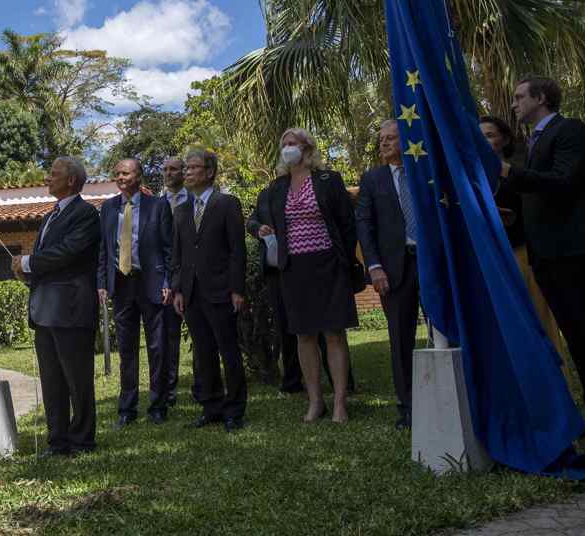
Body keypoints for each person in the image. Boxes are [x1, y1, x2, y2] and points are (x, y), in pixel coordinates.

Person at [503, 76, 585, 451]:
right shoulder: (533, 143)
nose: (514, 105)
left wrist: (511, 173)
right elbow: (538, 194)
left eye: (519, 97)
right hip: (547, 255)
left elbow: (563, 181)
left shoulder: (569, 130)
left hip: (576, 251)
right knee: (577, 337)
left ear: (541, 98)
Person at [252, 128, 358, 423]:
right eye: (284, 143)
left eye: (293, 143)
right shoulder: (276, 188)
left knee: (334, 333)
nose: (288, 148)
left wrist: (345, 262)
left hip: (328, 265)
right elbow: (258, 218)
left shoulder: (328, 180)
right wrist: (260, 229)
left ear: (307, 148)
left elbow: (347, 226)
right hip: (293, 269)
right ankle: (315, 401)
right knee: (304, 335)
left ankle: (339, 403)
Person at [14, 156, 101, 456]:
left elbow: (67, 253)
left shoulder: (86, 214)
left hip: (72, 311)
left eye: (53, 174)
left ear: (71, 180)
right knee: (52, 381)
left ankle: (82, 440)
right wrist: (28, 272)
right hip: (45, 311)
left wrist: (27, 261)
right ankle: (58, 440)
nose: (47, 178)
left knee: (77, 380)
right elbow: (50, 258)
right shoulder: (51, 215)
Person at [169, 149, 248, 432]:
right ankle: (211, 407)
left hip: (221, 290)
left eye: (193, 167)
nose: (187, 172)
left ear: (210, 172)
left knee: (228, 351)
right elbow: (177, 256)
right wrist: (178, 290)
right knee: (203, 354)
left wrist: (237, 289)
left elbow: (237, 251)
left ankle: (235, 410)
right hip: (192, 294)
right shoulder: (180, 211)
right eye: (186, 168)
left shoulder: (226, 204)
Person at [479, 115, 566, 366]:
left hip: (521, 255)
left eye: (489, 135)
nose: (484, 142)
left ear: (504, 140)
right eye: (479, 136)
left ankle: (554, 378)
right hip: (489, 261)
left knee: (539, 319)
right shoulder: (468, 181)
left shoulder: (518, 173)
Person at [97, 157, 175, 426]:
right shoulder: (107, 209)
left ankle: (157, 406)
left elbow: (169, 248)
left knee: (157, 348)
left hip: (151, 283)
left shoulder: (158, 205)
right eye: (117, 173)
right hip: (121, 284)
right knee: (126, 351)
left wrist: (168, 282)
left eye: (126, 173)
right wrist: (102, 283)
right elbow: (104, 251)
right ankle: (127, 409)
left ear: (139, 176)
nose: (120, 177)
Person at [355, 119, 420, 430]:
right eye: (381, 139)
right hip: (393, 270)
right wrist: (374, 266)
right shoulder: (372, 179)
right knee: (400, 338)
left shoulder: (425, 173)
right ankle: (408, 406)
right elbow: (364, 226)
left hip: (432, 262)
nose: (383, 143)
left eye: (391, 138)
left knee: (447, 329)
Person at [159, 156, 192, 407]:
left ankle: (205, 387)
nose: (168, 173)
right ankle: (169, 391)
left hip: (195, 278)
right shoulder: (158, 204)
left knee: (202, 336)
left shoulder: (195, 202)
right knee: (169, 338)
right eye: (165, 169)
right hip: (168, 280)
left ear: (184, 172)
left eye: (173, 169)